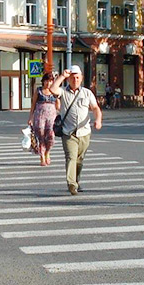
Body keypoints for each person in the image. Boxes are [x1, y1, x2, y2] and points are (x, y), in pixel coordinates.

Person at [51, 65, 103, 195]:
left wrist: (98, 120)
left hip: (84, 132)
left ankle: (76, 180)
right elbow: (52, 89)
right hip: (68, 132)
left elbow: (95, 108)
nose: (75, 80)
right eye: (73, 78)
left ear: (81, 78)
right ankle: (72, 184)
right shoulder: (63, 92)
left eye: (78, 77)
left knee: (79, 160)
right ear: (69, 79)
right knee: (71, 157)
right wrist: (62, 76)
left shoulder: (87, 92)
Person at [29, 72, 61, 166]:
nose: (48, 83)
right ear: (43, 81)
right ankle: (42, 156)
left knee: (51, 137)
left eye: (51, 81)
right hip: (39, 117)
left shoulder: (54, 92)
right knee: (40, 137)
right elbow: (33, 105)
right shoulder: (38, 91)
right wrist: (30, 117)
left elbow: (58, 106)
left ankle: (47, 151)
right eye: (47, 81)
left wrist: (57, 98)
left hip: (51, 118)